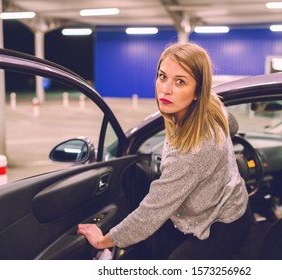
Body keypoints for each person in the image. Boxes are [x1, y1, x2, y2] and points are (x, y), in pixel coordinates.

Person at [78, 42, 251, 259]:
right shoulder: (211, 104)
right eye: (162, 76)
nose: (165, 89)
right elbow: (232, 126)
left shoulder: (193, 150)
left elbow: (152, 212)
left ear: (198, 91)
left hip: (222, 224)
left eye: (180, 82)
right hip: (220, 204)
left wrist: (102, 240)